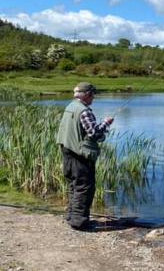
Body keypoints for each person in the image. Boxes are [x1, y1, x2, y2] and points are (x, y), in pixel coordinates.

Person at [56, 82, 114, 230]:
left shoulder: (70, 107)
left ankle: (72, 216)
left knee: (73, 186)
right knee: (83, 187)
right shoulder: (84, 111)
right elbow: (94, 133)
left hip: (67, 152)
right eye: (92, 94)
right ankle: (79, 222)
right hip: (79, 155)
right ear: (87, 94)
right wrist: (106, 123)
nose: (93, 97)